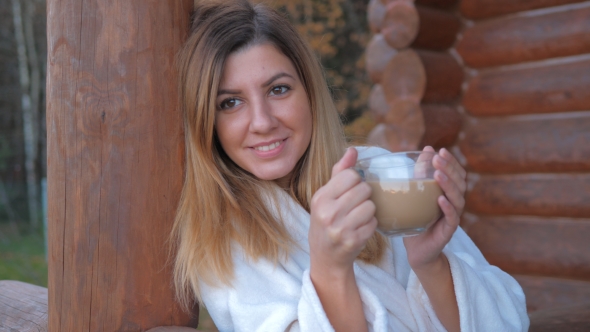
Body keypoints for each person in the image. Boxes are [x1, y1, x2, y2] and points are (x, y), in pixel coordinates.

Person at [152, 0, 529, 331]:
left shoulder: (383, 173)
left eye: (278, 89)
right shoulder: (218, 237)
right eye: (229, 103)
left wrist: (430, 262)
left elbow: (505, 319)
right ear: (206, 121)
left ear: (311, 92)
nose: (263, 121)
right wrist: (330, 269)